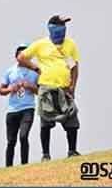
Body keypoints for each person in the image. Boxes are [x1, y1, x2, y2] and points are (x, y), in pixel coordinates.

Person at [18, 15, 81, 160]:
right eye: (61, 26)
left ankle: (72, 151)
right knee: (46, 122)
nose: (64, 30)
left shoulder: (70, 44)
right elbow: (22, 57)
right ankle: (45, 155)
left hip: (64, 88)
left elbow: (74, 67)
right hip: (46, 88)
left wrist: (73, 86)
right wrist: (34, 67)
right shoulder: (41, 44)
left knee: (71, 119)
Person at [0, 43, 39, 166]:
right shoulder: (10, 71)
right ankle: (8, 167)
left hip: (28, 108)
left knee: (23, 136)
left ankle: (24, 165)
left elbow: (40, 91)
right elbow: (1, 91)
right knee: (11, 141)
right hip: (12, 110)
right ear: (16, 57)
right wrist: (11, 89)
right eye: (20, 55)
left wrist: (30, 87)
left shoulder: (36, 71)